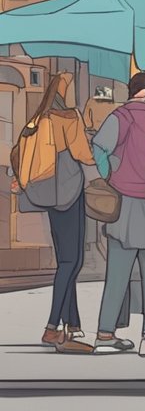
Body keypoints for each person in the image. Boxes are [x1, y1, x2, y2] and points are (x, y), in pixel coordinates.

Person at [9, 72, 97, 353]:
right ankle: (51, 327)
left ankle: (72, 323)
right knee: (73, 261)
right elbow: (85, 154)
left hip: (49, 197)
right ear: (66, 92)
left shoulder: (39, 118)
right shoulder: (69, 117)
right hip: (69, 195)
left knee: (65, 260)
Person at [90, 72, 145, 355]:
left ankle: (106, 333)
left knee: (117, 274)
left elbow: (99, 148)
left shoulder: (119, 117)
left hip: (123, 204)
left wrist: (111, 173)